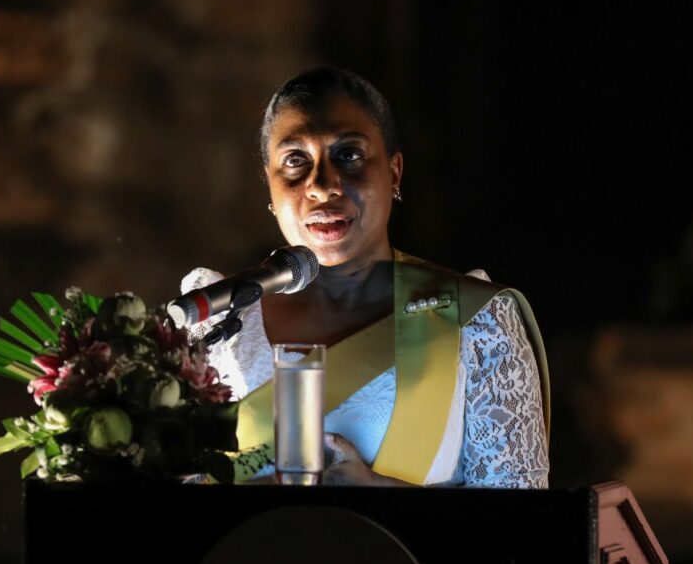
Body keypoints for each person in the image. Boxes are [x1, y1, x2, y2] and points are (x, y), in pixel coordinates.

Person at [182, 67, 549, 487]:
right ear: (269, 183)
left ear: (394, 172)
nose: (323, 186)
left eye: (349, 155)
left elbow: (521, 507)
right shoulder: (221, 317)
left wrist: (378, 491)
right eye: (296, 160)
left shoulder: (474, 319)